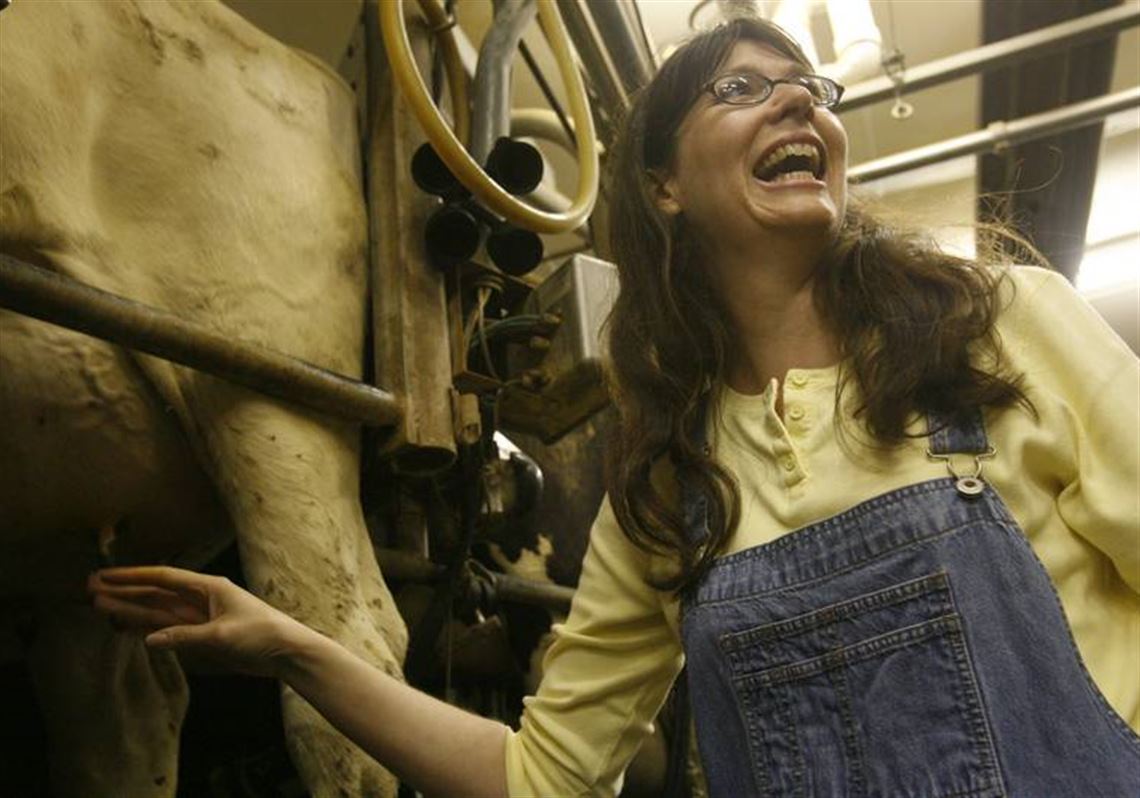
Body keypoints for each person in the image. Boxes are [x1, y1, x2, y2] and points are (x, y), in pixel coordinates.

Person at [89, 16, 1139, 798]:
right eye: (743, 88)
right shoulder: (671, 485)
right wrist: (295, 648)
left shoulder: (999, 327)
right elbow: (539, 779)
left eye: (810, 88)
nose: (799, 105)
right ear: (663, 186)